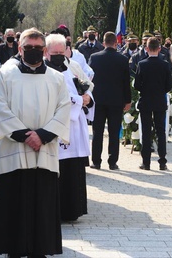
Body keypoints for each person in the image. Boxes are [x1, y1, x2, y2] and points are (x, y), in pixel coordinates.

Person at [0, 28, 70, 258]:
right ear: (19, 48)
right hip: (15, 149)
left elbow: (64, 109)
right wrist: (26, 135)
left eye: (37, 48)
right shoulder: (4, 74)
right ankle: (13, 249)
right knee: (14, 202)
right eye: (28, 48)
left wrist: (43, 135)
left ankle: (40, 249)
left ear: (44, 50)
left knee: (42, 203)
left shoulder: (57, 78)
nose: (33, 52)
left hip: (44, 149)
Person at [44, 33, 94, 221]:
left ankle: (73, 209)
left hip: (75, 126)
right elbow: (53, 97)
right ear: (46, 52)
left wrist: (88, 98)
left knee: (73, 168)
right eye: (54, 52)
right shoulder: (43, 71)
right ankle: (54, 210)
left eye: (62, 51)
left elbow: (87, 86)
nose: (59, 55)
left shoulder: (72, 66)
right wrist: (78, 100)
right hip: (56, 126)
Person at [88, 32, 131, 170]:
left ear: (103, 42)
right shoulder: (123, 59)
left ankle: (96, 161)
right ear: (115, 43)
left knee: (97, 132)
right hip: (116, 101)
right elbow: (126, 83)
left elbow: (89, 79)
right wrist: (128, 101)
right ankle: (112, 162)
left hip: (98, 100)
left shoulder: (94, 58)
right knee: (113, 132)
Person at [134, 37, 172, 171]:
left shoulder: (142, 64)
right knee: (160, 131)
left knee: (146, 131)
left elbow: (137, 85)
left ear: (147, 49)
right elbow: (169, 86)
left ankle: (146, 162)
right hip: (160, 101)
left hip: (146, 101)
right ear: (159, 49)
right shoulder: (165, 64)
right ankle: (162, 161)